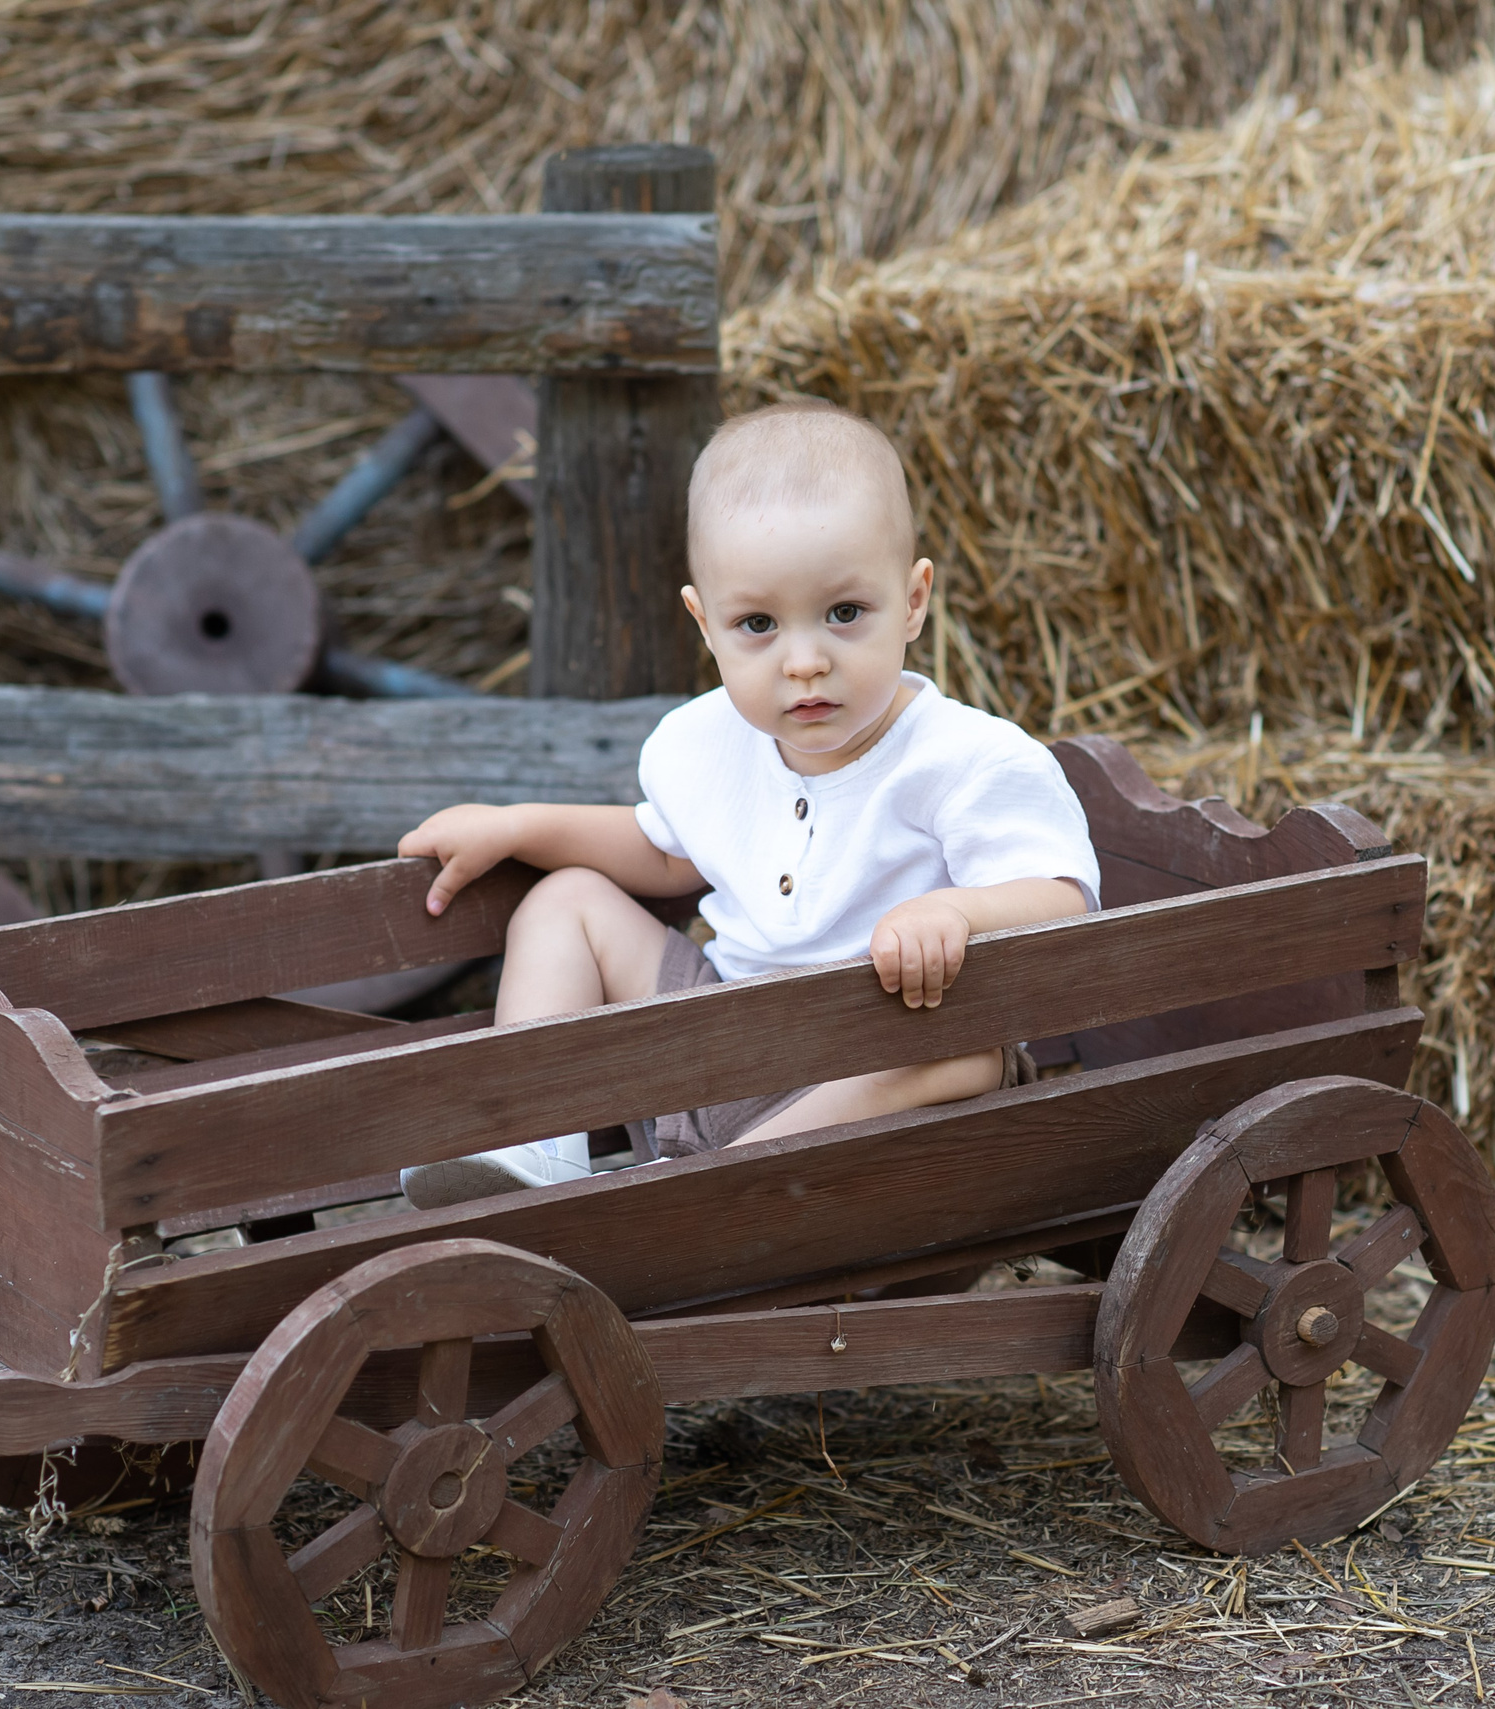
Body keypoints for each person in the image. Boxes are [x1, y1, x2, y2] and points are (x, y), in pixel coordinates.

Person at [393, 401, 1100, 1207]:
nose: (804, 661)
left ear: (912, 600)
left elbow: (1064, 897)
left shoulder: (969, 759)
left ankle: (697, 1194)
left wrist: (960, 912)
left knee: (964, 1055)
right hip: (723, 1042)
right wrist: (519, 825)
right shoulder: (704, 743)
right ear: (705, 623)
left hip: (882, 1067)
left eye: (844, 613)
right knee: (567, 901)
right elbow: (664, 855)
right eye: (758, 623)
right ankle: (530, 1133)